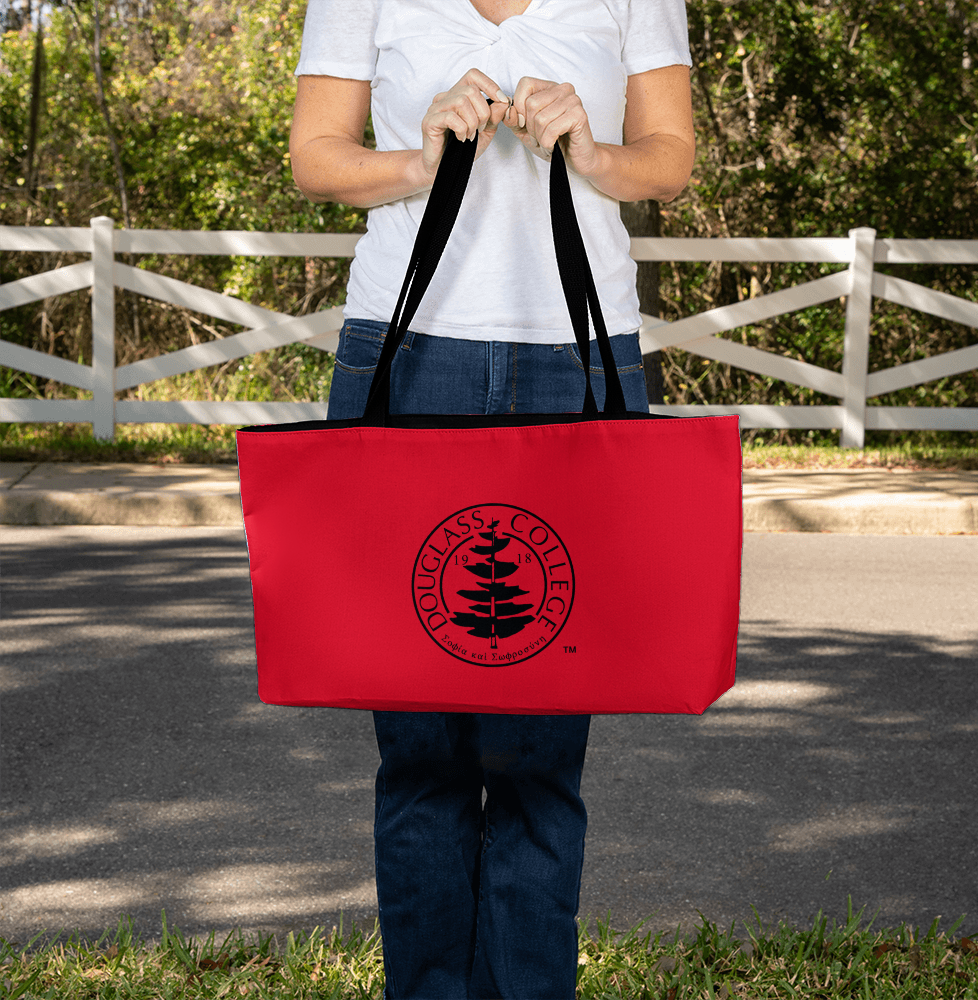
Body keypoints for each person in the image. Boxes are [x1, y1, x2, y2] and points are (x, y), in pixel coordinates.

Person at [288, 2, 695, 997]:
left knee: (541, 746)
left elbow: (669, 157)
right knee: (418, 746)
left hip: (578, 365)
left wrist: (591, 154)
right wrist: (419, 158)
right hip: (405, 356)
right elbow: (315, 158)